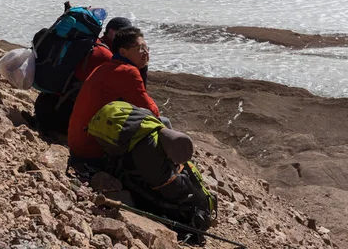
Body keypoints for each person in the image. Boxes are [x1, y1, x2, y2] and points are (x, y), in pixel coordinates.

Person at [87, 101, 216, 234]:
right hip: (105, 140)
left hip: (109, 116)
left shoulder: (157, 124)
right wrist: (193, 198)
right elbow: (169, 189)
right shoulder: (149, 152)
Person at [68, 27, 159, 161]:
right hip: (93, 150)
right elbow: (152, 112)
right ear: (123, 51)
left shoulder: (105, 67)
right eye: (140, 48)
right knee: (160, 125)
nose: (146, 53)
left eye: (147, 48)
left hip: (78, 143)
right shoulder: (127, 72)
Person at [34, 17, 132, 136]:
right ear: (112, 32)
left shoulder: (92, 45)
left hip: (46, 109)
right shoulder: (105, 56)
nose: (129, 39)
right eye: (125, 34)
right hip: (61, 120)